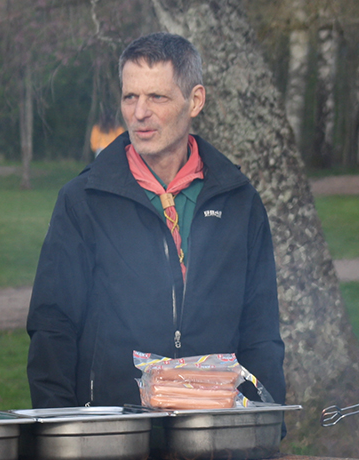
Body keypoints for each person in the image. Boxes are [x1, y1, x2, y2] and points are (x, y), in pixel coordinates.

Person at [26, 32, 285, 408]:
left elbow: (261, 331)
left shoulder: (239, 201)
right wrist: (57, 428)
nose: (139, 113)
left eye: (157, 97)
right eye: (130, 97)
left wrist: (267, 422)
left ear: (195, 101)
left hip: (214, 431)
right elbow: (52, 327)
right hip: (110, 430)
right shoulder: (83, 200)